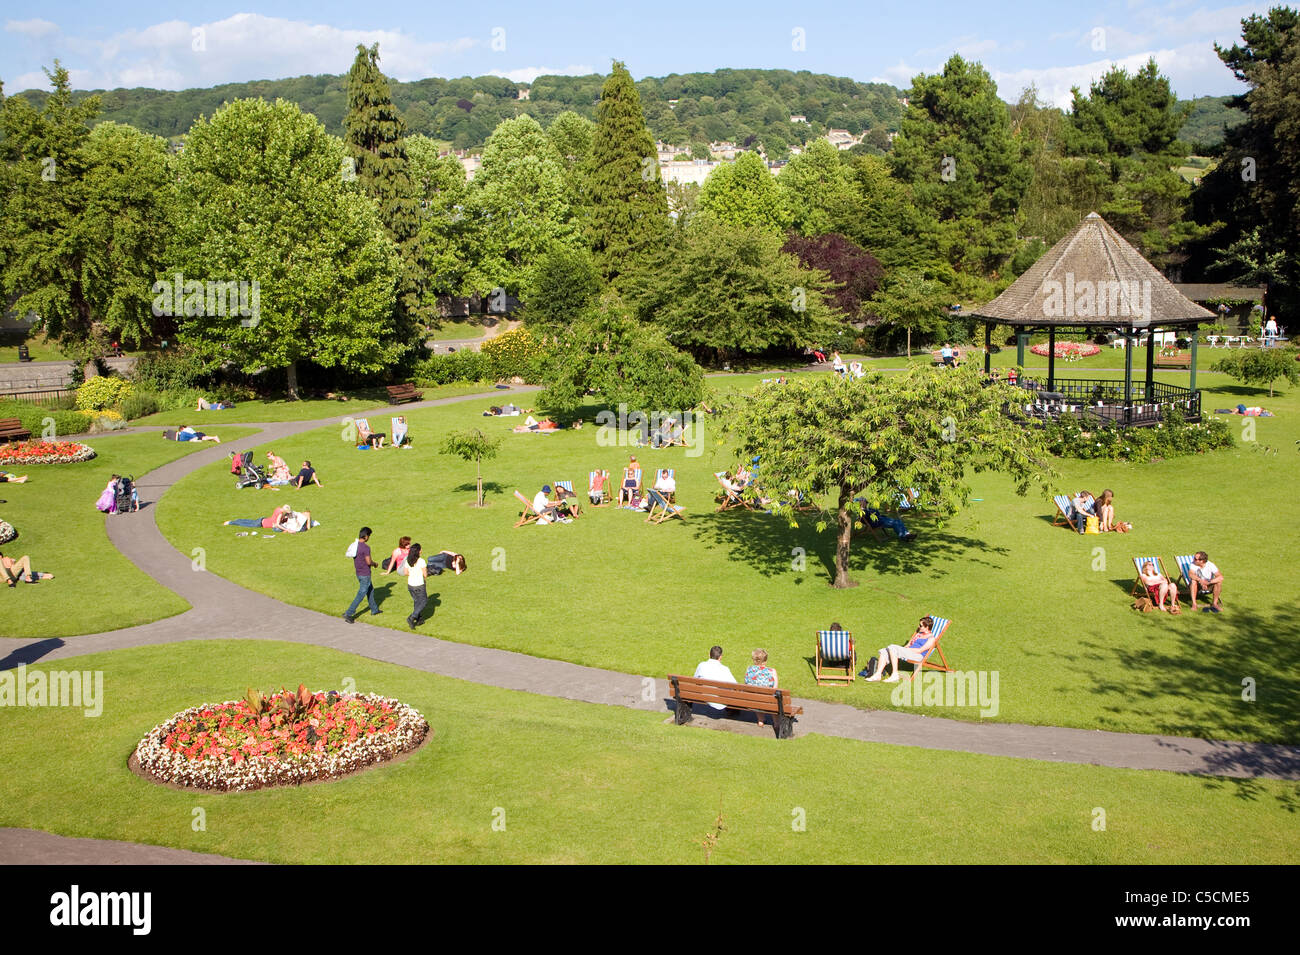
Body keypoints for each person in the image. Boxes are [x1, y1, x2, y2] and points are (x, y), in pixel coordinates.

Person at [865, 616, 939, 682]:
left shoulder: (931, 639)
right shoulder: (919, 634)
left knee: (892, 647)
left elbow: (920, 650)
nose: (918, 627)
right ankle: (878, 675)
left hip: (918, 656)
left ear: (927, 627)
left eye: (920, 625)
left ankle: (895, 674)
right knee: (885, 650)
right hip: (909, 652)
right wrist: (903, 649)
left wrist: (905, 650)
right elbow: (909, 644)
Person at [343, 526, 380, 622]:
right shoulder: (366, 548)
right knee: (361, 593)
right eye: (369, 536)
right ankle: (348, 613)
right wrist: (375, 564)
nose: (369, 538)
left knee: (370, 589)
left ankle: (374, 609)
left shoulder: (355, 546)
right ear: (366, 536)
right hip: (365, 574)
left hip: (358, 573)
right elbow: (368, 562)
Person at [744, 649, 779, 727]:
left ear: (754, 660)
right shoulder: (772, 671)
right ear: (765, 661)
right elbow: (775, 688)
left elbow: (746, 683)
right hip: (767, 700)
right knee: (775, 699)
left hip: (753, 699)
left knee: (757, 696)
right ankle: (776, 722)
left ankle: (760, 720)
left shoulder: (749, 669)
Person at [403, 542, 428, 629]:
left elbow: (405, 572)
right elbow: (425, 575)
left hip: (410, 585)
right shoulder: (421, 561)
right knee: (424, 601)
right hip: (419, 585)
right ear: (418, 551)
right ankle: (412, 617)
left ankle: (419, 619)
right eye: (420, 549)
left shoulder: (408, 561)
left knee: (417, 601)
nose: (421, 550)